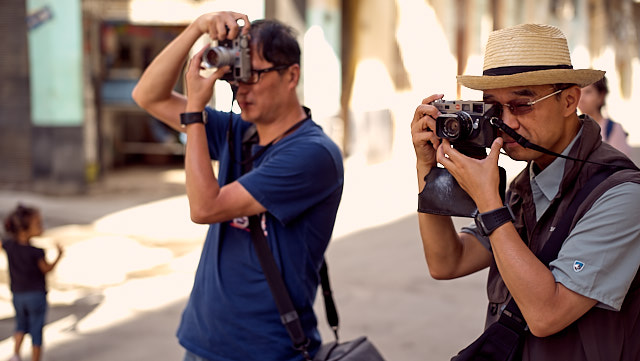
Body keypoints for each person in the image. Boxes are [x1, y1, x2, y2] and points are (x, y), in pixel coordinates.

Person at [411, 23, 640, 360]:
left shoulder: (621, 194)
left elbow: (547, 314)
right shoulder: (525, 183)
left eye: (521, 105)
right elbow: (448, 261)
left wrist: (489, 202)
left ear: (568, 100)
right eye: (494, 109)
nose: (507, 123)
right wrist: (427, 171)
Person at [131, 11, 344, 361]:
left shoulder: (313, 154)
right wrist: (197, 28)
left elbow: (205, 208)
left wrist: (195, 112)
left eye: (253, 75)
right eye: (234, 76)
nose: (241, 88)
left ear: (292, 75)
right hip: (202, 342)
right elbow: (148, 96)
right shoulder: (238, 132)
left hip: (265, 350)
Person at [2, 204, 63, 361]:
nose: (42, 227)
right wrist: (59, 256)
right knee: (36, 331)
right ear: (24, 229)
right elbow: (46, 269)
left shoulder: (9, 246)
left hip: (17, 295)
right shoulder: (36, 252)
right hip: (36, 296)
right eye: (38, 224)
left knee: (20, 326)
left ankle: (16, 355)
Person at [578, 76, 632, 156]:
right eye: (579, 92)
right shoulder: (572, 129)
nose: (581, 98)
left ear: (601, 96)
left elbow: (621, 164)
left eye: (588, 92)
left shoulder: (613, 129)